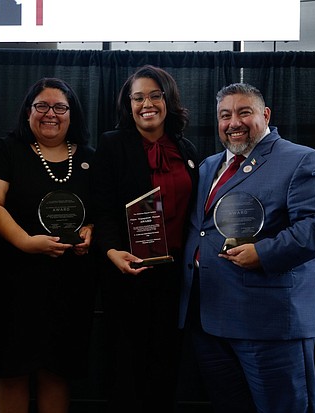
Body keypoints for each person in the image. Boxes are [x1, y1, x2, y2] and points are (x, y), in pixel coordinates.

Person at [179, 83, 315, 413]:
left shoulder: (302, 160)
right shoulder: (208, 166)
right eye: (225, 116)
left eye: (244, 112)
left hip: (268, 323)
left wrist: (264, 253)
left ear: (265, 115)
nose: (233, 122)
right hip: (208, 319)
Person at [0, 78, 97, 413]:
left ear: (72, 114)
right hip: (14, 281)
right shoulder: (6, 150)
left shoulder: (89, 157)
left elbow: (102, 210)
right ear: (28, 112)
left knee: (57, 371)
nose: (51, 114)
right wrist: (26, 242)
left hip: (69, 283)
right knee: (12, 371)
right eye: (41, 106)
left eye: (60, 107)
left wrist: (91, 229)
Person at [90, 65, 199, 413]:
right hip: (128, 271)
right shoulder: (112, 144)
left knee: (167, 362)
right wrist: (111, 251)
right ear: (128, 104)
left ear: (168, 99)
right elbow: (103, 209)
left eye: (154, 95)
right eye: (138, 98)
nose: (146, 104)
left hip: (176, 276)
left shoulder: (187, 149)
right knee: (127, 365)